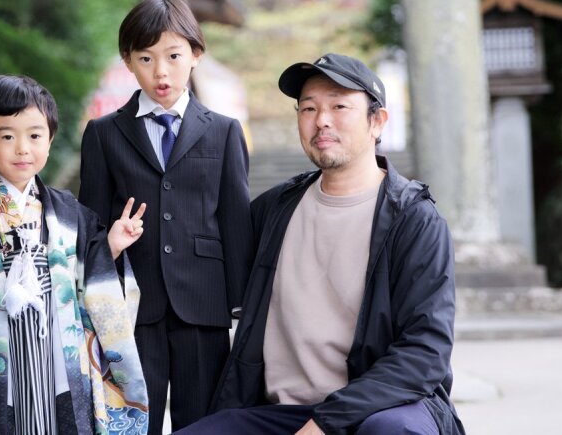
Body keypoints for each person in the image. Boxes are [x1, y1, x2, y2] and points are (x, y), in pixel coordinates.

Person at [179, 53, 465, 435]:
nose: (322, 120)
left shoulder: (413, 220)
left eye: (339, 106)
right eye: (309, 108)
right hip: (283, 414)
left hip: (381, 409)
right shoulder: (274, 210)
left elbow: (425, 353)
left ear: (377, 121)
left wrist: (326, 421)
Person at [0, 75, 150, 434]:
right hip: (0, 351)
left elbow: (89, 277)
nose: (22, 149)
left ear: (50, 140)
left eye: (34, 136)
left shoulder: (71, 212)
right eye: (7, 137)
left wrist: (112, 246)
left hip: (57, 348)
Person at [78, 0, 253, 434]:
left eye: (174, 56)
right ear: (128, 61)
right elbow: (91, 222)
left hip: (205, 303)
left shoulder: (224, 132)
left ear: (196, 54)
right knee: (136, 418)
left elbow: (235, 222)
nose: (161, 72)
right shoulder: (104, 134)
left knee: (204, 423)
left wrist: (243, 304)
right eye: (146, 58)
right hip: (132, 306)